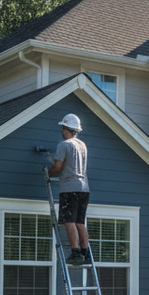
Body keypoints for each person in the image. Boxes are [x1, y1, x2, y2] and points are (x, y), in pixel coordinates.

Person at [48, 113, 90, 265]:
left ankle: (75, 253)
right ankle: (85, 253)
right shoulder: (82, 145)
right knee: (80, 222)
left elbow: (58, 167)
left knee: (69, 221)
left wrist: (48, 173)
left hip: (69, 188)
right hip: (84, 188)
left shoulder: (64, 145)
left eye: (63, 128)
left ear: (66, 129)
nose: (62, 131)